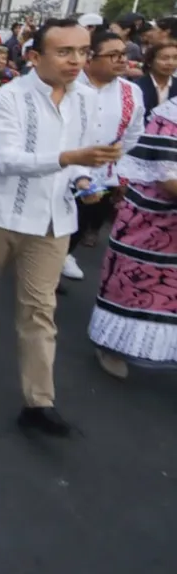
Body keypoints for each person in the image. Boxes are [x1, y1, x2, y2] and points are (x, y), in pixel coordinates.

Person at [0, 19, 120, 437]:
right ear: (35, 56)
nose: (76, 60)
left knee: (40, 310)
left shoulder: (86, 100)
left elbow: (81, 159)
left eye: (83, 51)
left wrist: (84, 179)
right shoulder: (8, 98)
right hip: (0, 215)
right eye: (64, 52)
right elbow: (4, 160)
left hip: (54, 219)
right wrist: (69, 159)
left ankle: (39, 401)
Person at [87, 96, 177, 377]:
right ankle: (111, 345)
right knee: (134, 283)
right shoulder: (170, 116)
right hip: (154, 219)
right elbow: (167, 176)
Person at [62, 30, 145, 283]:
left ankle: (61, 259)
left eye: (124, 54)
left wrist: (114, 162)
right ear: (90, 58)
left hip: (100, 173)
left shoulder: (131, 91)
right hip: (61, 165)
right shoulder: (68, 85)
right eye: (113, 55)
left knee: (80, 223)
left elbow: (133, 133)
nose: (122, 60)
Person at [133, 41, 177, 115]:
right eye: (164, 58)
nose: (170, 63)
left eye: (175, 58)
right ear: (150, 62)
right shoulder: (136, 86)